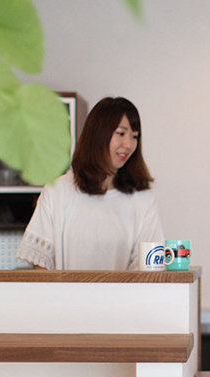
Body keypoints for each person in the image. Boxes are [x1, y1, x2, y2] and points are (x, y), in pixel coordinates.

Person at [16, 97, 164, 270]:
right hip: (64, 289)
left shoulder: (142, 198)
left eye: (134, 136)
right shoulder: (58, 191)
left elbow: (148, 268)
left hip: (124, 290)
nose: (128, 144)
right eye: (121, 133)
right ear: (98, 134)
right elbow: (41, 265)